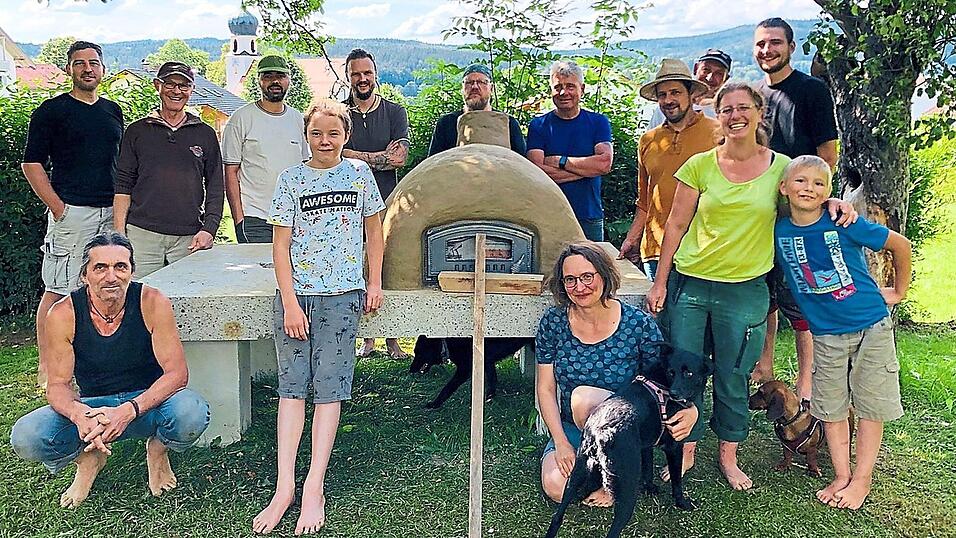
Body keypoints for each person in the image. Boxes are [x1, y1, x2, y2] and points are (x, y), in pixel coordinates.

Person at [644, 82, 855, 491]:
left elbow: (808, 196)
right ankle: (686, 449)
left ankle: (729, 455)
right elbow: (675, 224)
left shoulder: (781, 168)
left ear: (759, 113)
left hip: (744, 289)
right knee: (684, 370)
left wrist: (833, 203)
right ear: (718, 115)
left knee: (734, 374)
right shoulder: (699, 165)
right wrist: (662, 281)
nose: (735, 115)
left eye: (743, 107)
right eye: (726, 109)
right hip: (691, 284)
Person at [252, 102, 385, 535]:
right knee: (292, 389)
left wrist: (375, 282)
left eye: (333, 134)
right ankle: (284, 486)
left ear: (345, 135)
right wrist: (290, 303)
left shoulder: (360, 176)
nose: (325, 142)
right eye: (316, 134)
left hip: (342, 297)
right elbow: (280, 246)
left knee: (329, 391)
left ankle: (314, 486)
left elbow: (374, 233)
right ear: (305, 136)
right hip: (296, 298)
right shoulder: (290, 180)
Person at [10, 232, 210, 508]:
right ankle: (88, 459)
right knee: (27, 436)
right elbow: (57, 384)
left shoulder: (152, 301)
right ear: (84, 275)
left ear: (132, 272)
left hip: (146, 403)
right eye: (100, 268)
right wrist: (79, 415)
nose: (111, 276)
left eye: (120, 267)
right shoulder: (62, 313)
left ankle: (157, 450)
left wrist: (128, 410)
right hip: (93, 409)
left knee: (192, 411)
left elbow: (176, 374)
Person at [774, 155, 910, 510]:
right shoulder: (778, 229)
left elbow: (900, 245)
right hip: (826, 335)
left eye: (819, 184)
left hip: (870, 326)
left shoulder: (842, 220)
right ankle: (841, 475)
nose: (809, 188)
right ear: (783, 187)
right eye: (801, 181)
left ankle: (861, 480)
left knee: (869, 406)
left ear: (830, 192)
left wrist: (898, 292)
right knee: (831, 408)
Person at [536, 241, 698, 504]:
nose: (580, 287)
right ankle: (609, 475)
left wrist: (690, 409)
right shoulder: (554, 322)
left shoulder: (638, 324)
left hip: (623, 426)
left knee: (584, 398)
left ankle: (616, 471)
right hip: (574, 427)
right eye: (570, 280)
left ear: (604, 275)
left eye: (588, 276)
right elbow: (545, 387)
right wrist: (561, 442)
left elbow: (668, 374)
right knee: (557, 486)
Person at [22, 41, 124, 384]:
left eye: (93, 62)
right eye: (79, 63)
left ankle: (94, 360)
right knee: (58, 288)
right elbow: (31, 163)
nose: (87, 68)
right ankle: (48, 366)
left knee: (103, 286)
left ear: (102, 69)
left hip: (109, 212)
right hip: (72, 213)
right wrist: (59, 208)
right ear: (69, 69)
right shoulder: (51, 111)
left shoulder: (112, 111)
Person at [752, 17, 840, 399]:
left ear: (790, 46)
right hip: (761, 215)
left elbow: (828, 157)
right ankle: (765, 365)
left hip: (800, 218)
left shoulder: (811, 91)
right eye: (760, 44)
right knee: (767, 295)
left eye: (774, 42)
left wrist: (812, 203)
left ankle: (807, 384)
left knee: (802, 299)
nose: (766, 50)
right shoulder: (756, 96)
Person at [113, 61, 224, 278]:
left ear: (192, 90)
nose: (177, 91)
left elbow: (216, 187)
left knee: (187, 303)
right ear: (158, 86)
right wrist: (119, 233)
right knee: (139, 298)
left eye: (184, 86)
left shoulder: (205, 134)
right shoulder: (137, 131)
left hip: (189, 237)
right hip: (141, 234)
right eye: (170, 84)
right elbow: (123, 184)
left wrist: (209, 229)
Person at [619, 59, 720, 281]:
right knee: (658, 314)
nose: (668, 100)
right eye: (662, 95)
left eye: (675, 92)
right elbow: (645, 201)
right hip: (655, 248)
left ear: (691, 94)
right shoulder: (649, 140)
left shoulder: (717, 134)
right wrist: (633, 238)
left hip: (703, 248)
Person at [340, 48, 409, 359]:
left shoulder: (395, 112)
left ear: (375, 75)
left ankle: (392, 338)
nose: (362, 79)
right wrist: (377, 158)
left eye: (367, 73)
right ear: (348, 77)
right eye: (356, 74)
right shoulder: (340, 115)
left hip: (387, 203)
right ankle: (365, 338)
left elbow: (399, 157)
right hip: (346, 205)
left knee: (385, 269)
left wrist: (359, 158)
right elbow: (336, 153)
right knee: (355, 269)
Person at [222, 55, 310, 243]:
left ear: (289, 80)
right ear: (259, 81)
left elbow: (306, 169)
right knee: (256, 272)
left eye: (280, 76)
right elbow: (230, 172)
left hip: (294, 218)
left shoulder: (299, 120)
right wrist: (239, 220)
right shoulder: (241, 119)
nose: (275, 81)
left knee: (293, 272)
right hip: (255, 218)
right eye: (268, 76)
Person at [527, 60, 614, 242]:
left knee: (592, 268)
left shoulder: (598, 122)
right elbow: (536, 173)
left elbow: (604, 164)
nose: (563, 92)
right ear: (551, 90)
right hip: (548, 216)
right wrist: (587, 170)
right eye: (558, 86)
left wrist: (561, 161)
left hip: (588, 216)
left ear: (582, 89)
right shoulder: (539, 126)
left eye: (570, 86)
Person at [427, 64, 527, 156]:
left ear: (491, 88)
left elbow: (522, 164)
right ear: (462, 88)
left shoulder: (508, 123)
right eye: (469, 82)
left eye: (481, 82)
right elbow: (433, 162)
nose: (474, 86)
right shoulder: (446, 123)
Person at [646, 49, 732, 128]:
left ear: (726, 79)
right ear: (695, 69)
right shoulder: (667, 108)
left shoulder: (728, 113)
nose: (710, 77)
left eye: (718, 74)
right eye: (706, 70)